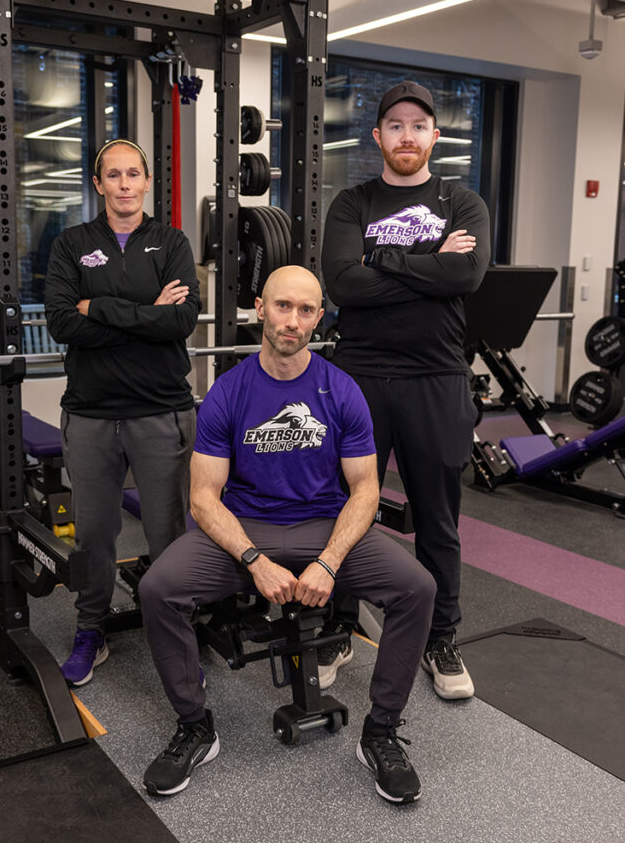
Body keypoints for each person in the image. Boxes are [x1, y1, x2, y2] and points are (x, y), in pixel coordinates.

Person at [139, 265, 436, 804]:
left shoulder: (341, 390)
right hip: (246, 527)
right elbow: (204, 497)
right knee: (159, 589)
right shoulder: (229, 392)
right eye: (282, 306)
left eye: (305, 310)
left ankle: (381, 732)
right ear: (260, 308)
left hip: (325, 524)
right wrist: (254, 560)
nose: (292, 320)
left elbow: (365, 489)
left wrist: (327, 564)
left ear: (319, 318)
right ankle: (195, 726)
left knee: (416, 588)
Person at [320, 81, 490, 700]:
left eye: (419, 125)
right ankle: (337, 626)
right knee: (346, 509)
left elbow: (465, 274)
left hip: (436, 379)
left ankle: (441, 637)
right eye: (395, 125)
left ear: (434, 137)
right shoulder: (351, 202)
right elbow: (342, 284)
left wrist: (383, 258)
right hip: (359, 377)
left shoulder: (462, 202)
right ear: (378, 137)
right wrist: (428, 262)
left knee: (438, 521)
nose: (407, 136)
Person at [45, 138, 201, 686]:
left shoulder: (172, 241)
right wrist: (145, 313)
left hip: (160, 409)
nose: (125, 184)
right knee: (94, 533)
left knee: (168, 533)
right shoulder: (71, 245)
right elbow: (63, 322)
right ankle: (91, 628)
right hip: (90, 412)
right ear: (99, 184)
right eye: (114, 175)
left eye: (134, 173)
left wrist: (102, 311)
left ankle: (176, 630)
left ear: (147, 181)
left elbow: (180, 323)